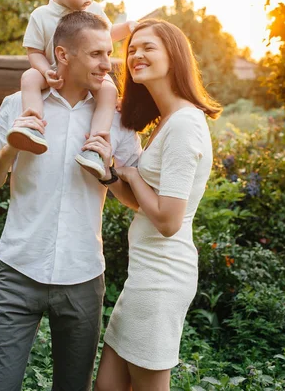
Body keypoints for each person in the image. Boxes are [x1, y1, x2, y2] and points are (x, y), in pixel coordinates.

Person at [0, 11, 142, 391]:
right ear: (63, 55)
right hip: (18, 271)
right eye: (96, 54)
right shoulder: (19, 104)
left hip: (82, 277)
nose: (107, 63)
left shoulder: (115, 119)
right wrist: (9, 152)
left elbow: (138, 201)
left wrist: (109, 174)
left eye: (109, 53)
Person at [87, 19, 222, 391]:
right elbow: (142, 205)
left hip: (163, 277)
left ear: (174, 56)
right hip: (144, 273)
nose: (135, 54)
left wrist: (131, 175)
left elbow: (168, 220)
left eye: (148, 47)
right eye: (131, 49)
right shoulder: (166, 121)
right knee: (109, 386)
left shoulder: (184, 125)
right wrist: (112, 175)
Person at [7, 0, 136, 179]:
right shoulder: (42, 15)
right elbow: (34, 51)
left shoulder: (94, 10)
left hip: (87, 77)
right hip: (53, 73)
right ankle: (32, 124)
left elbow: (107, 36)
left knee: (108, 91)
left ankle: (95, 146)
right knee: (29, 77)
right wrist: (46, 71)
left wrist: (127, 28)